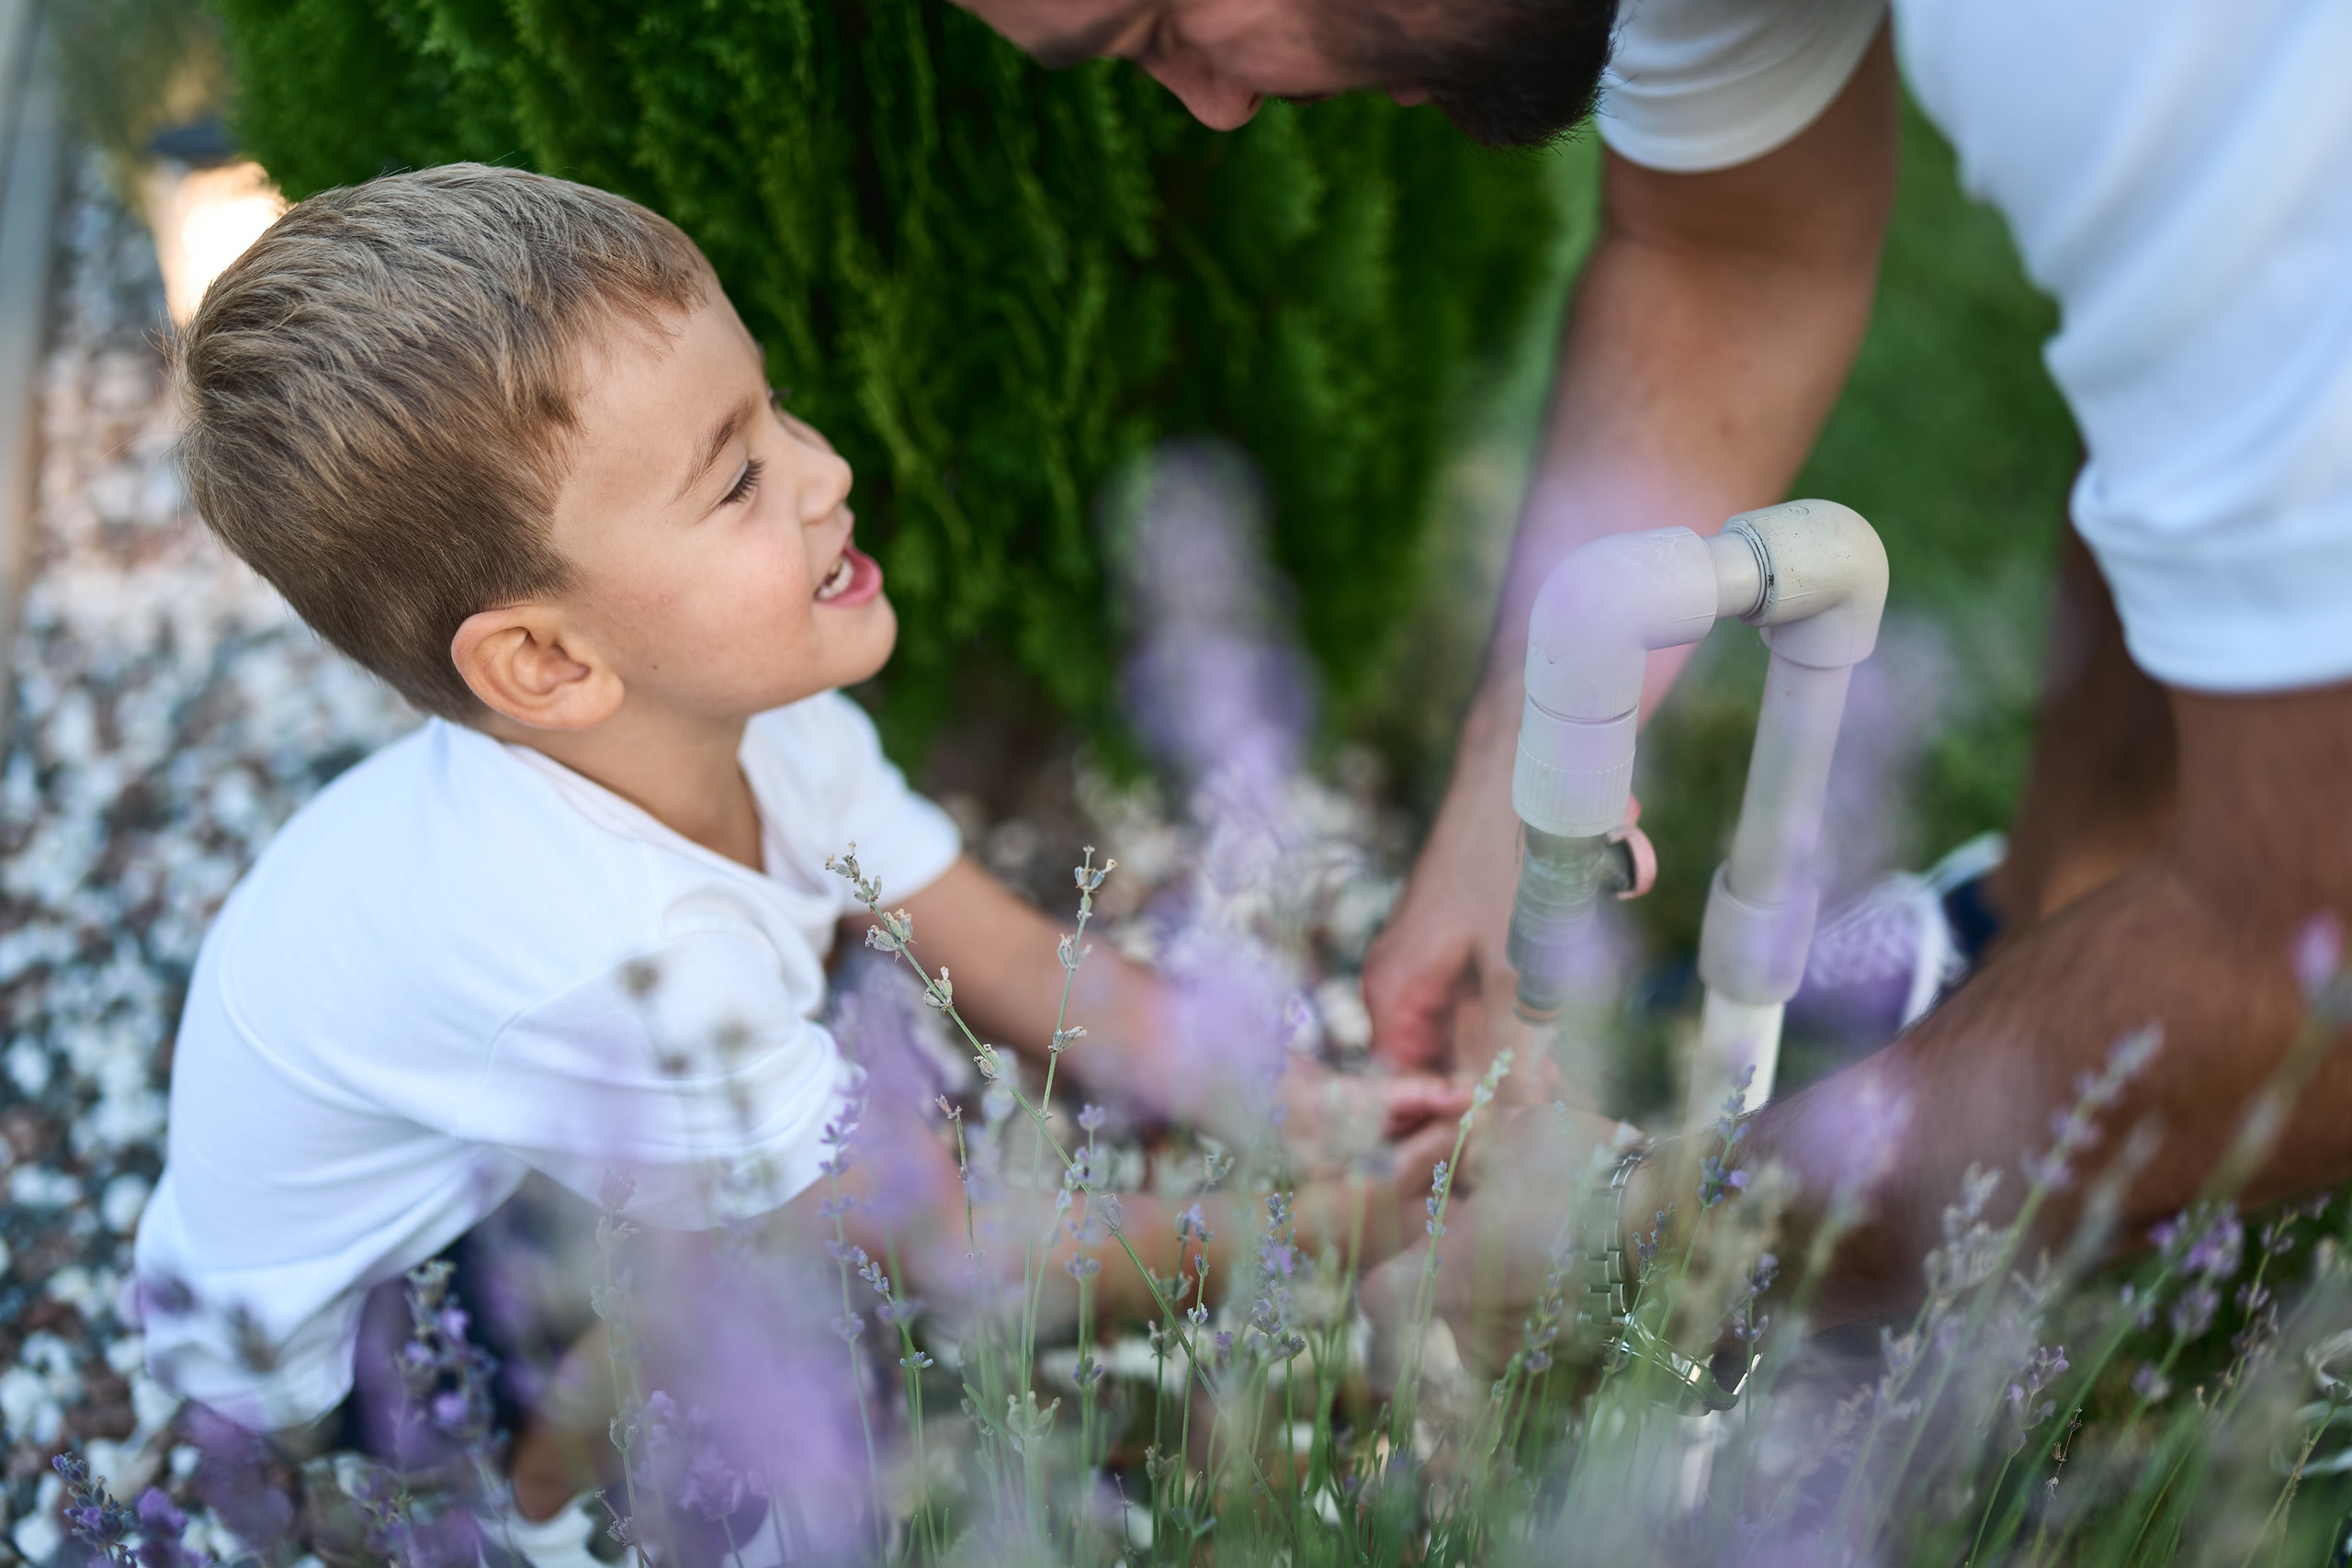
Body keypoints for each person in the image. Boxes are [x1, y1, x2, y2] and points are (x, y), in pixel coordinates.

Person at [955, 0, 2352, 1353]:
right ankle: (2030, 932)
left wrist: (1649, 1240)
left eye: (1159, 24)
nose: (1210, 102)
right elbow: (1735, 252)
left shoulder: (2175, 57)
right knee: (2205, 492)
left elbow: (2305, 969)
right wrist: (1522, 795)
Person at [134, 164, 1470, 1559]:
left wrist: (1296, 1104)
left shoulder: (773, 733)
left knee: (793, 1145)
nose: (830, 472)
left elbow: (1006, 954)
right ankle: (531, 1501)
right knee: (754, 1267)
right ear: (546, 660)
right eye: (740, 477)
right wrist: (1325, 1230)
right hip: (349, 1347)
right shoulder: (623, 961)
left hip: (473, 1154)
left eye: (777, 409)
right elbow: (957, 1251)